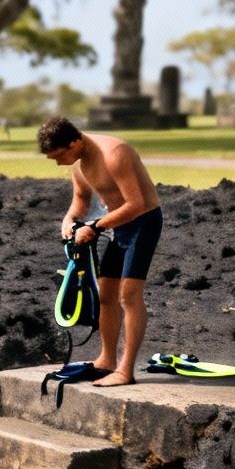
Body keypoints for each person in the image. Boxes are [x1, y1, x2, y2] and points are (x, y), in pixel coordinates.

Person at [37, 116, 162, 386]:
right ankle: (107, 359)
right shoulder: (79, 166)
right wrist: (69, 221)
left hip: (143, 223)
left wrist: (95, 227)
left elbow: (137, 203)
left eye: (59, 156)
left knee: (128, 296)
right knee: (105, 294)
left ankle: (125, 371)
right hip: (117, 226)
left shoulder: (115, 154)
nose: (58, 163)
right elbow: (81, 201)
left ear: (74, 142)